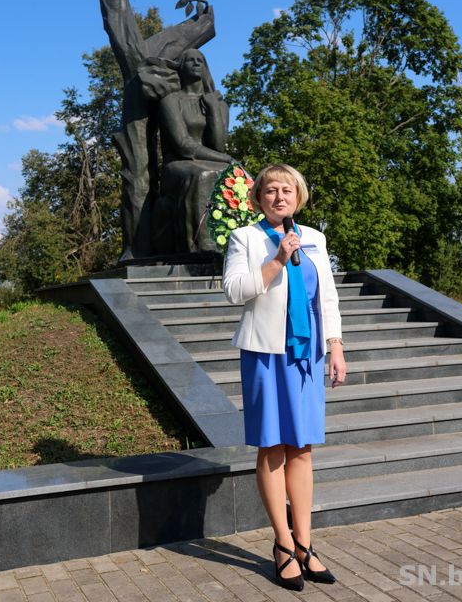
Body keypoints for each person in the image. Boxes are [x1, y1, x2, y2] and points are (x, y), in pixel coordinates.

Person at [222, 164, 346, 591]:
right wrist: (276, 259)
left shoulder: (314, 238)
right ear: (258, 197)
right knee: (273, 446)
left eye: (287, 190)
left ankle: (306, 545)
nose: (280, 197)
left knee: (303, 448)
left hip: (307, 354)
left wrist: (335, 345)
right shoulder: (246, 238)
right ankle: (282, 545)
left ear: (299, 196)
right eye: (271, 190)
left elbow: (326, 296)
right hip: (266, 353)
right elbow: (234, 291)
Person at [154, 49, 232, 252]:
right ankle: (204, 242)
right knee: (204, 174)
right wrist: (225, 159)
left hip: (210, 159)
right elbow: (183, 144)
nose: (196, 63)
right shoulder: (171, 101)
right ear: (180, 68)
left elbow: (218, 145)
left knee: (233, 175)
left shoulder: (218, 104)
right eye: (190, 60)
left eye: (200, 60)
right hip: (177, 164)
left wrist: (213, 109)